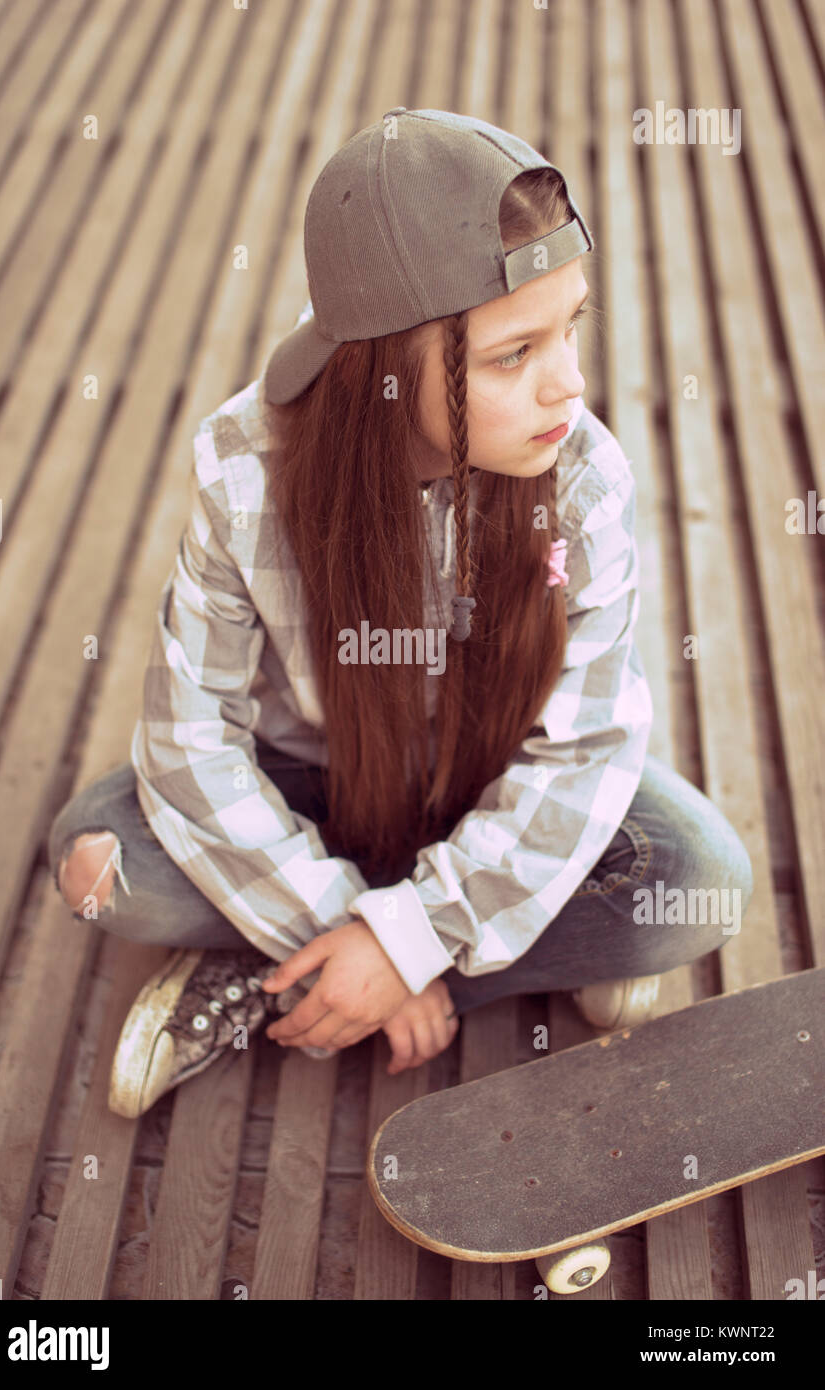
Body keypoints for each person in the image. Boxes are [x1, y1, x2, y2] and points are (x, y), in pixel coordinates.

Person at [47, 109, 753, 1119]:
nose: (571, 385)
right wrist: (371, 928)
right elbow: (190, 736)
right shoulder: (247, 473)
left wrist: (400, 940)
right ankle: (450, 960)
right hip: (316, 787)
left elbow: (587, 747)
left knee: (700, 878)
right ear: (381, 371)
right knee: (101, 865)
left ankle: (274, 984)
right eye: (514, 356)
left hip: (491, 783)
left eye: (572, 327)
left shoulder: (584, 478)